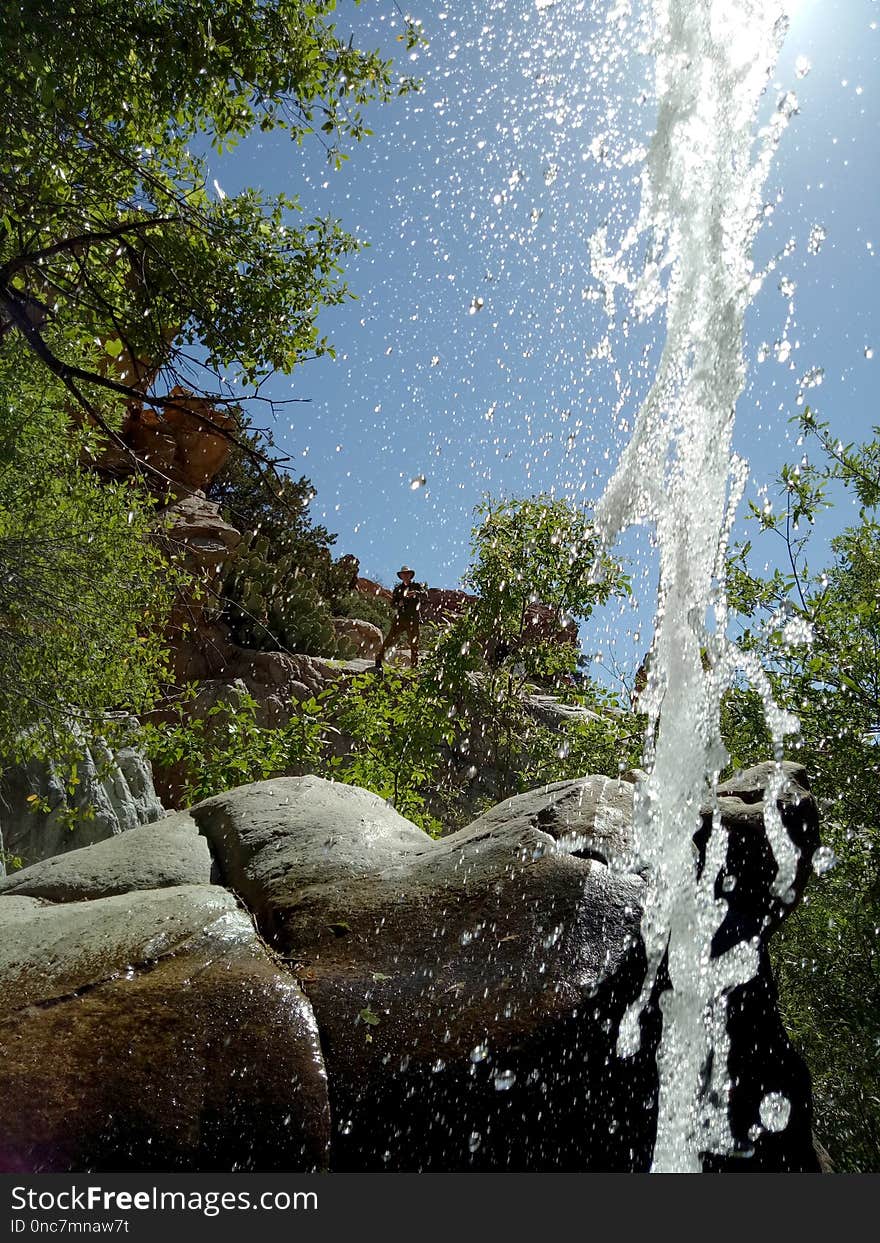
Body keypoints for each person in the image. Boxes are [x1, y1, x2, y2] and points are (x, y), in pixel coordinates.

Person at [375, 565, 427, 669]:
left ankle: (414, 666)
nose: (406, 576)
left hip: (413, 618)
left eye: (407, 574)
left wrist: (416, 593)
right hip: (400, 618)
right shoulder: (398, 589)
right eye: (404, 574)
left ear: (410, 575)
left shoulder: (417, 586)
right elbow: (393, 603)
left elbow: (425, 595)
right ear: (401, 576)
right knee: (390, 639)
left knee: (414, 643)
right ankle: (379, 659)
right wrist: (399, 603)